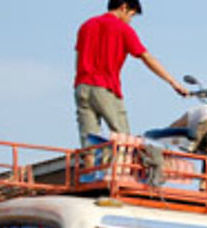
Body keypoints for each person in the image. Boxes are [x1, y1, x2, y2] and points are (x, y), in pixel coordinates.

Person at [74, 0, 188, 147]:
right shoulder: (122, 29)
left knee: (88, 141)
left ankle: (91, 169)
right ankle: (121, 170)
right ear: (124, 7)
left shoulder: (86, 26)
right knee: (123, 140)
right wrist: (173, 83)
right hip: (105, 87)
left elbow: (78, 59)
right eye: (131, 16)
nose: (130, 21)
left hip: (82, 87)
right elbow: (147, 58)